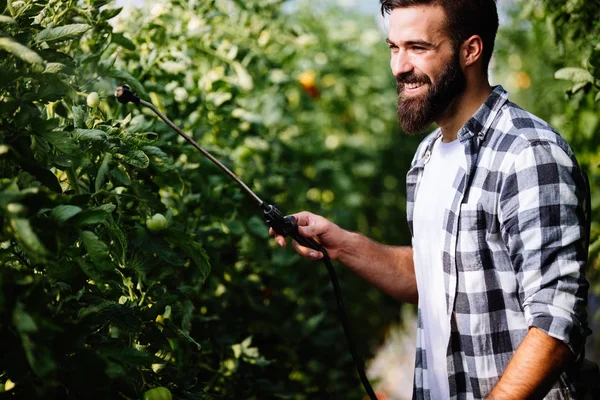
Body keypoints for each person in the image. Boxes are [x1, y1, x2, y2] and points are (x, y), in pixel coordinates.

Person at [270, 0, 598, 399]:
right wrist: (342, 244)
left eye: (418, 48)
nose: (398, 66)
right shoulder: (426, 157)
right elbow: (432, 276)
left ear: (470, 51)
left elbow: (557, 323)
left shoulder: (528, 153)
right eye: (394, 47)